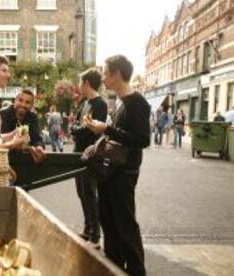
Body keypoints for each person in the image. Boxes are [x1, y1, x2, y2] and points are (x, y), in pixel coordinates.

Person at [84, 55, 149, 276]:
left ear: (117, 74)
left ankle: (137, 271)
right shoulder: (121, 102)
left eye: (104, 72)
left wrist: (106, 129)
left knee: (124, 222)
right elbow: (120, 136)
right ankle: (113, 267)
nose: (102, 77)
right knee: (108, 219)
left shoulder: (138, 102)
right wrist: (102, 131)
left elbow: (142, 140)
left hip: (124, 172)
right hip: (110, 171)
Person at [71, 68, 107, 247]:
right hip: (78, 153)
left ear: (86, 83)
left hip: (90, 155)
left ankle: (95, 234)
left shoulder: (100, 104)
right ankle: (87, 228)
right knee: (81, 192)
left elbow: (90, 128)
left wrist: (76, 130)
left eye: (80, 82)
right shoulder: (84, 103)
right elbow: (78, 124)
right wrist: (77, 129)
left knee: (89, 193)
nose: (79, 86)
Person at [0, 89, 45, 163]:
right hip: (5, 160)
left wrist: (39, 147)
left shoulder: (32, 117)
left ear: (31, 106)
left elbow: (37, 139)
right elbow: (6, 142)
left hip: (26, 162)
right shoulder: (4, 114)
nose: (23, 105)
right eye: (20, 100)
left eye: (27, 102)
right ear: (15, 101)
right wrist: (28, 148)